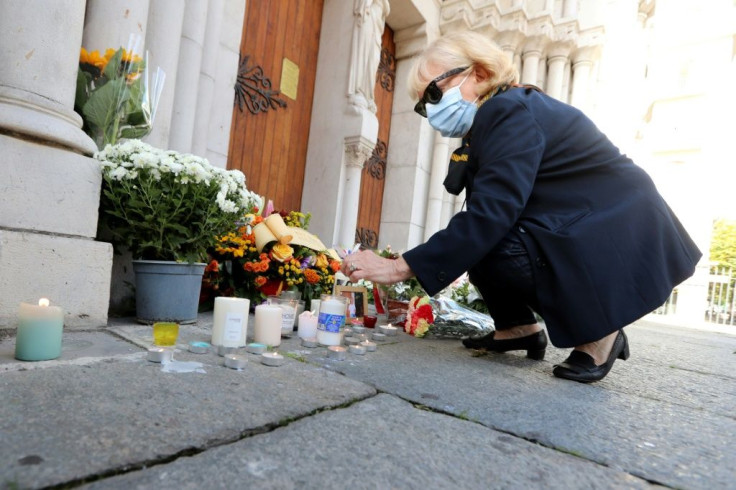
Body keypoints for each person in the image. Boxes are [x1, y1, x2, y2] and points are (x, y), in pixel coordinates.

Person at [340, 31, 701, 383]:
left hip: (612, 223)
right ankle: (518, 327)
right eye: (423, 104)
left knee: (490, 237)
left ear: (478, 74)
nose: (431, 108)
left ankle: (602, 331)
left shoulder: (508, 110)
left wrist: (397, 267)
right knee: (480, 238)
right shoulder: (498, 113)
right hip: (584, 218)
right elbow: (488, 209)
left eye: (434, 92)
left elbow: (491, 215)